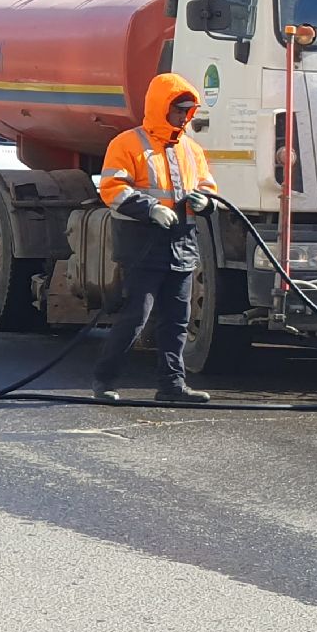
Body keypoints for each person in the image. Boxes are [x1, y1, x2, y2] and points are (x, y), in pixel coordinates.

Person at [91, 72, 218, 404]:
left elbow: (206, 187)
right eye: (179, 110)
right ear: (162, 108)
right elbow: (113, 188)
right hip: (142, 248)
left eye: (188, 111)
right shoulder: (127, 143)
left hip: (182, 247)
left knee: (177, 321)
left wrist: (205, 202)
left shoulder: (191, 149)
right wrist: (150, 209)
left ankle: (172, 386)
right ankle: (104, 382)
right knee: (136, 317)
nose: (184, 116)